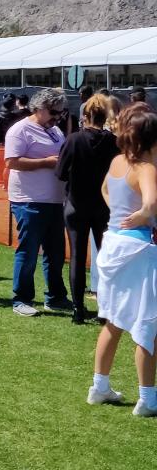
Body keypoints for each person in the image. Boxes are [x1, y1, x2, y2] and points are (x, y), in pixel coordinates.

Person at [87, 105, 157, 417]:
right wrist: (143, 215)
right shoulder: (146, 168)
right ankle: (148, 398)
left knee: (113, 321)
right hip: (137, 248)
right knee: (147, 324)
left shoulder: (117, 161)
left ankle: (99, 387)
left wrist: (121, 214)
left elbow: (104, 189)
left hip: (112, 243)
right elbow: (152, 202)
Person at [4, 88, 72, 317]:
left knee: (55, 253)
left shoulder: (54, 130)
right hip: (28, 200)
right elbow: (12, 162)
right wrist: (45, 162)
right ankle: (21, 299)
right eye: (54, 112)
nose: (57, 117)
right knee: (29, 251)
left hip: (54, 200)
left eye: (61, 113)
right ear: (39, 108)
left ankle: (55, 297)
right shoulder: (19, 130)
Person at [56, 94, 119, 323]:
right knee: (104, 257)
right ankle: (105, 309)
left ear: (85, 116)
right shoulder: (114, 142)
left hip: (75, 204)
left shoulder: (73, 140)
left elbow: (61, 173)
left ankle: (78, 309)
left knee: (77, 256)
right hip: (104, 206)